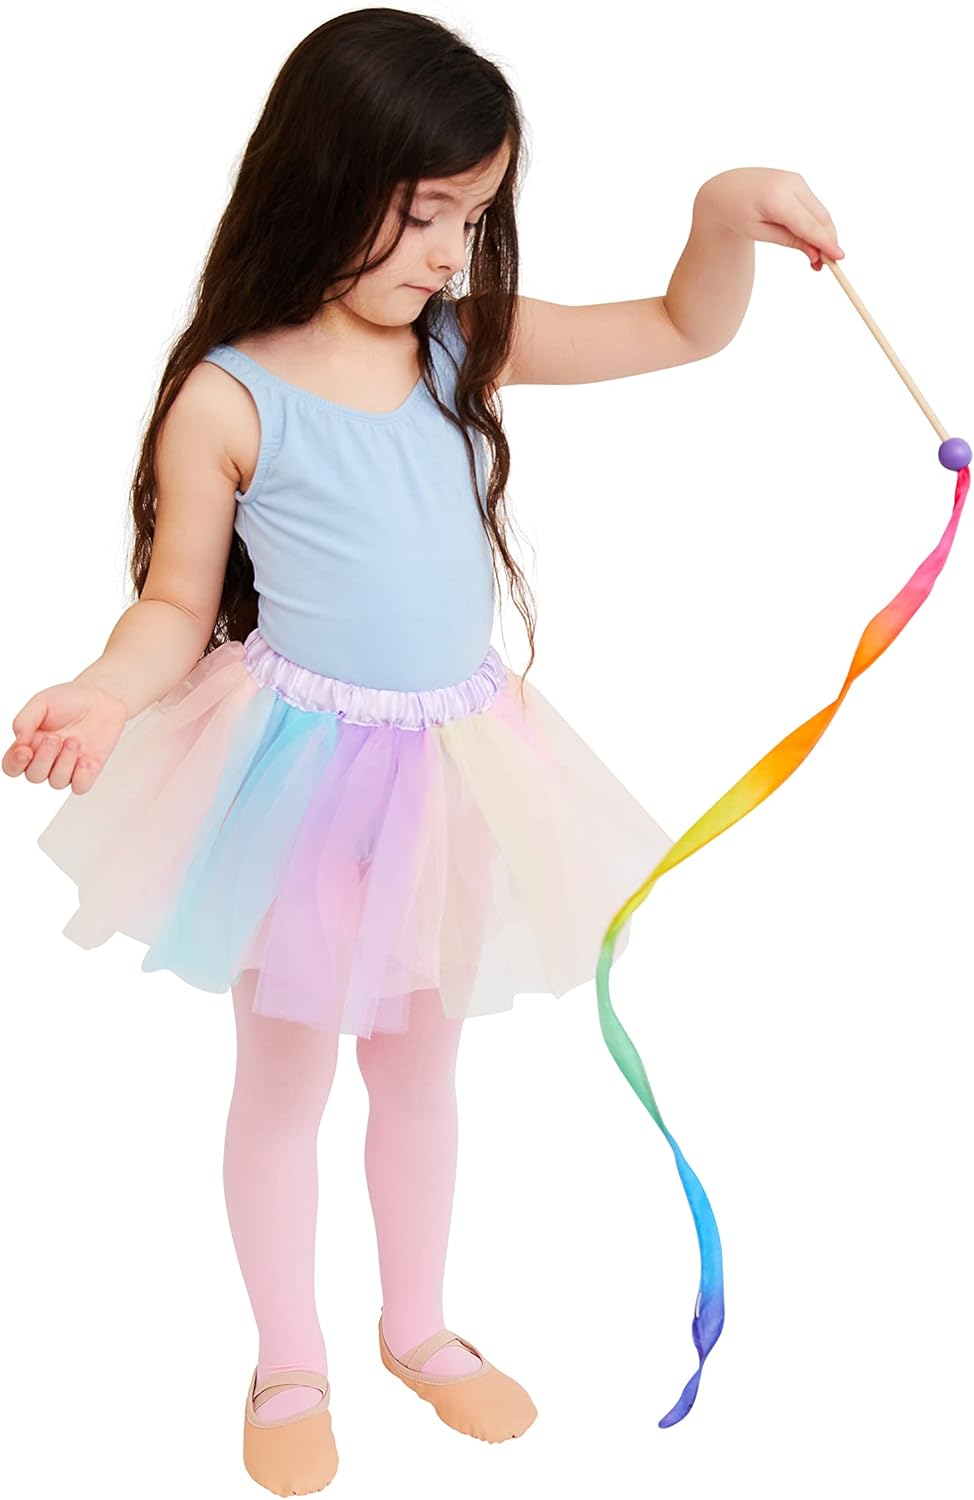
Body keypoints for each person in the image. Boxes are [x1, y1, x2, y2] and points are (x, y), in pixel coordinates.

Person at [4, 10, 679, 1495]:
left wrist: (730, 212)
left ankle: (418, 1328)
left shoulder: (460, 345)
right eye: (425, 211)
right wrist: (105, 695)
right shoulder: (231, 395)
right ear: (326, 177)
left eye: (474, 216)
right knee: (284, 1079)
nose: (450, 252)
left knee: (422, 1074)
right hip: (296, 782)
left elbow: (677, 329)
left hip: (453, 774)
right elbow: (175, 606)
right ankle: (288, 1356)